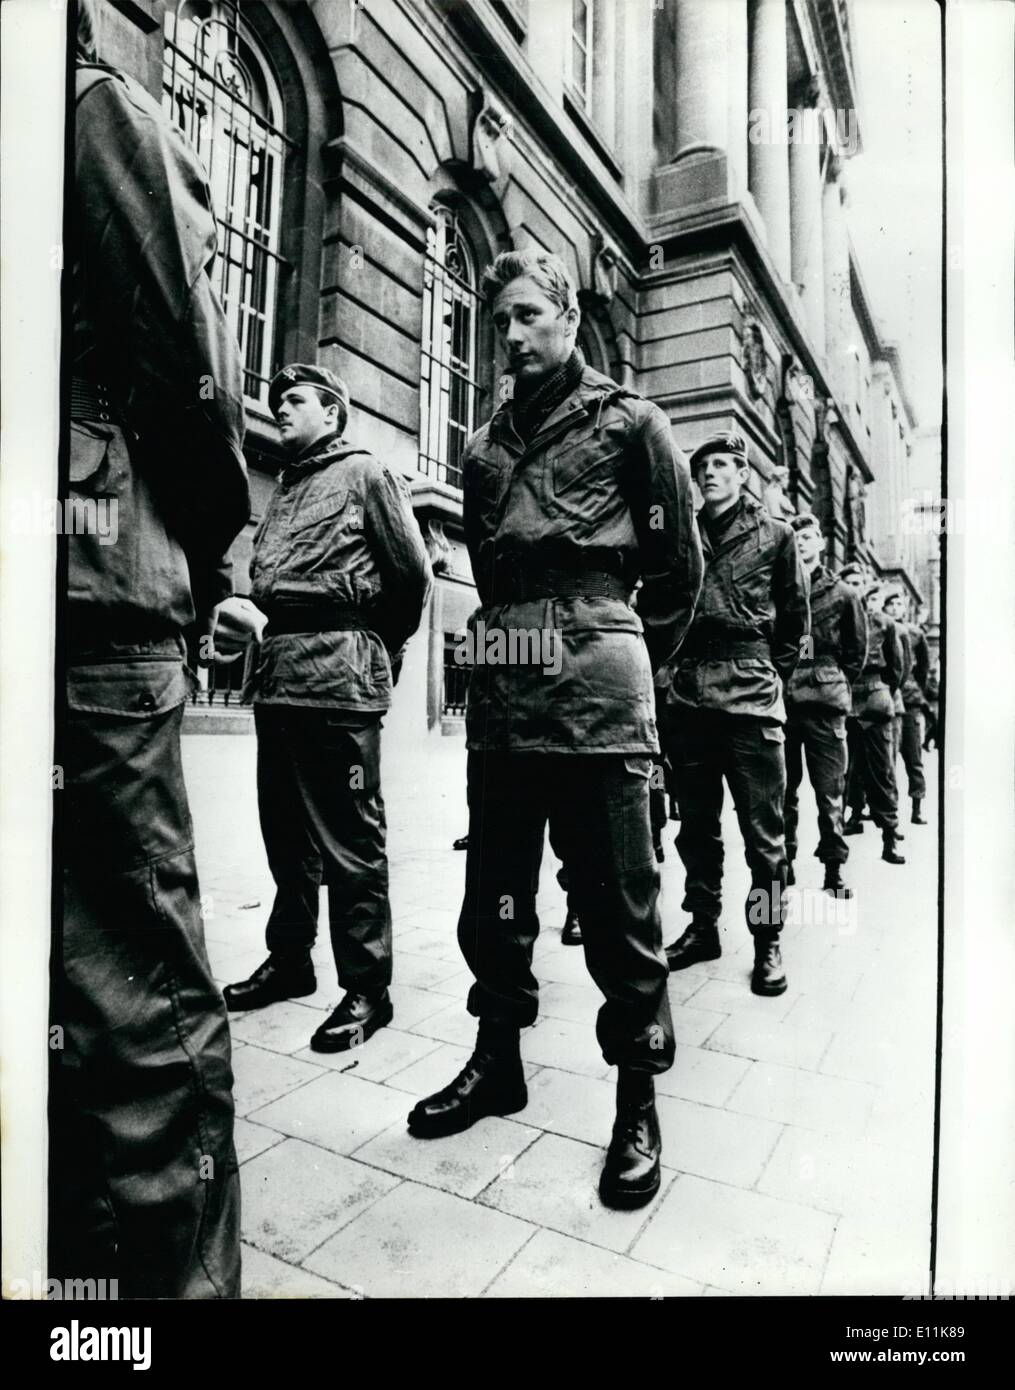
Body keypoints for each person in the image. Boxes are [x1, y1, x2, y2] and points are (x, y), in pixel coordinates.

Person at [405, 250, 703, 1210]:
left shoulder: (632, 423)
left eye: (530, 315)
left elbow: (676, 568)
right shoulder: (483, 449)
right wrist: (529, 642)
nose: (513, 335)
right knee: (491, 893)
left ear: (570, 320)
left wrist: (613, 653)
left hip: (600, 672)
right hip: (507, 671)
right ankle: (498, 1061)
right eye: (501, 323)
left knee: (619, 904)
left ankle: (636, 1102)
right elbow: (491, 574)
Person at [51, 0, 250, 1298]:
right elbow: (183, 355)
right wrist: (211, 530)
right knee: (129, 994)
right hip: (93, 581)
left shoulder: (86, 109)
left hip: (88, 583)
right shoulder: (83, 108)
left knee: (109, 978)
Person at [223, 365, 432, 1053]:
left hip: (338, 679)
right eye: (277, 400)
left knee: (350, 840)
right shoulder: (286, 484)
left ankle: (369, 989)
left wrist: (373, 652)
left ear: (333, 413)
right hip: (279, 674)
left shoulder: (366, 473)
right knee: (285, 836)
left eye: (295, 401)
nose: (280, 409)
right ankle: (290, 962)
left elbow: (410, 577)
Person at [660, 431, 810, 996]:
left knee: (763, 836)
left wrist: (769, 678)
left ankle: (768, 942)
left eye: (723, 465)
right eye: (704, 466)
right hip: (690, 697)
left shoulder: (776, 535)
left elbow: (795, 624)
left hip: (750, 699)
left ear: (743, 474)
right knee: (695, 829)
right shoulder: (683, 534)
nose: (711, 474)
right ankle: (702, 928)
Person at [783, 515, 867, 898]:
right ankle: (783, 864)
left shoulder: (843, 594)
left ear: (820, 542)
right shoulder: (779, 584)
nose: (800, 542)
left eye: (807, 536)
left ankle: (833, 869)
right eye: (795, 536)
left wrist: (830, 679)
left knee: (829, 789)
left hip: (824, 701)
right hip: (781, 699)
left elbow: (856, 653)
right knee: (780, 790)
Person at [840, 575, 906, 864]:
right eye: (849, 582)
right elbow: (813, 649)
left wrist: (882, 690)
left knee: (882, 771)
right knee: (841, 772)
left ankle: (890, 837)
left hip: (875, 697)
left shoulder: (885, 623)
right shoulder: (836, 615)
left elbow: (898, 667)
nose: (855, 587)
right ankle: (845, 824)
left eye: (859, 582)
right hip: (842, 696)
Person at [884, 590, 930, 824]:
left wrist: (912, 688)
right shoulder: (880, 628)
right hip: (885, 698)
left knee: (913, 756)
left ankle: (917, 806)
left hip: (909, 700)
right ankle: (883, 811)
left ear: (905, 607)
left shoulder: (915, 633)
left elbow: (922, 667)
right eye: (889, 603)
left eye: (898, 603)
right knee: (885, 760)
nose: (894, 607)